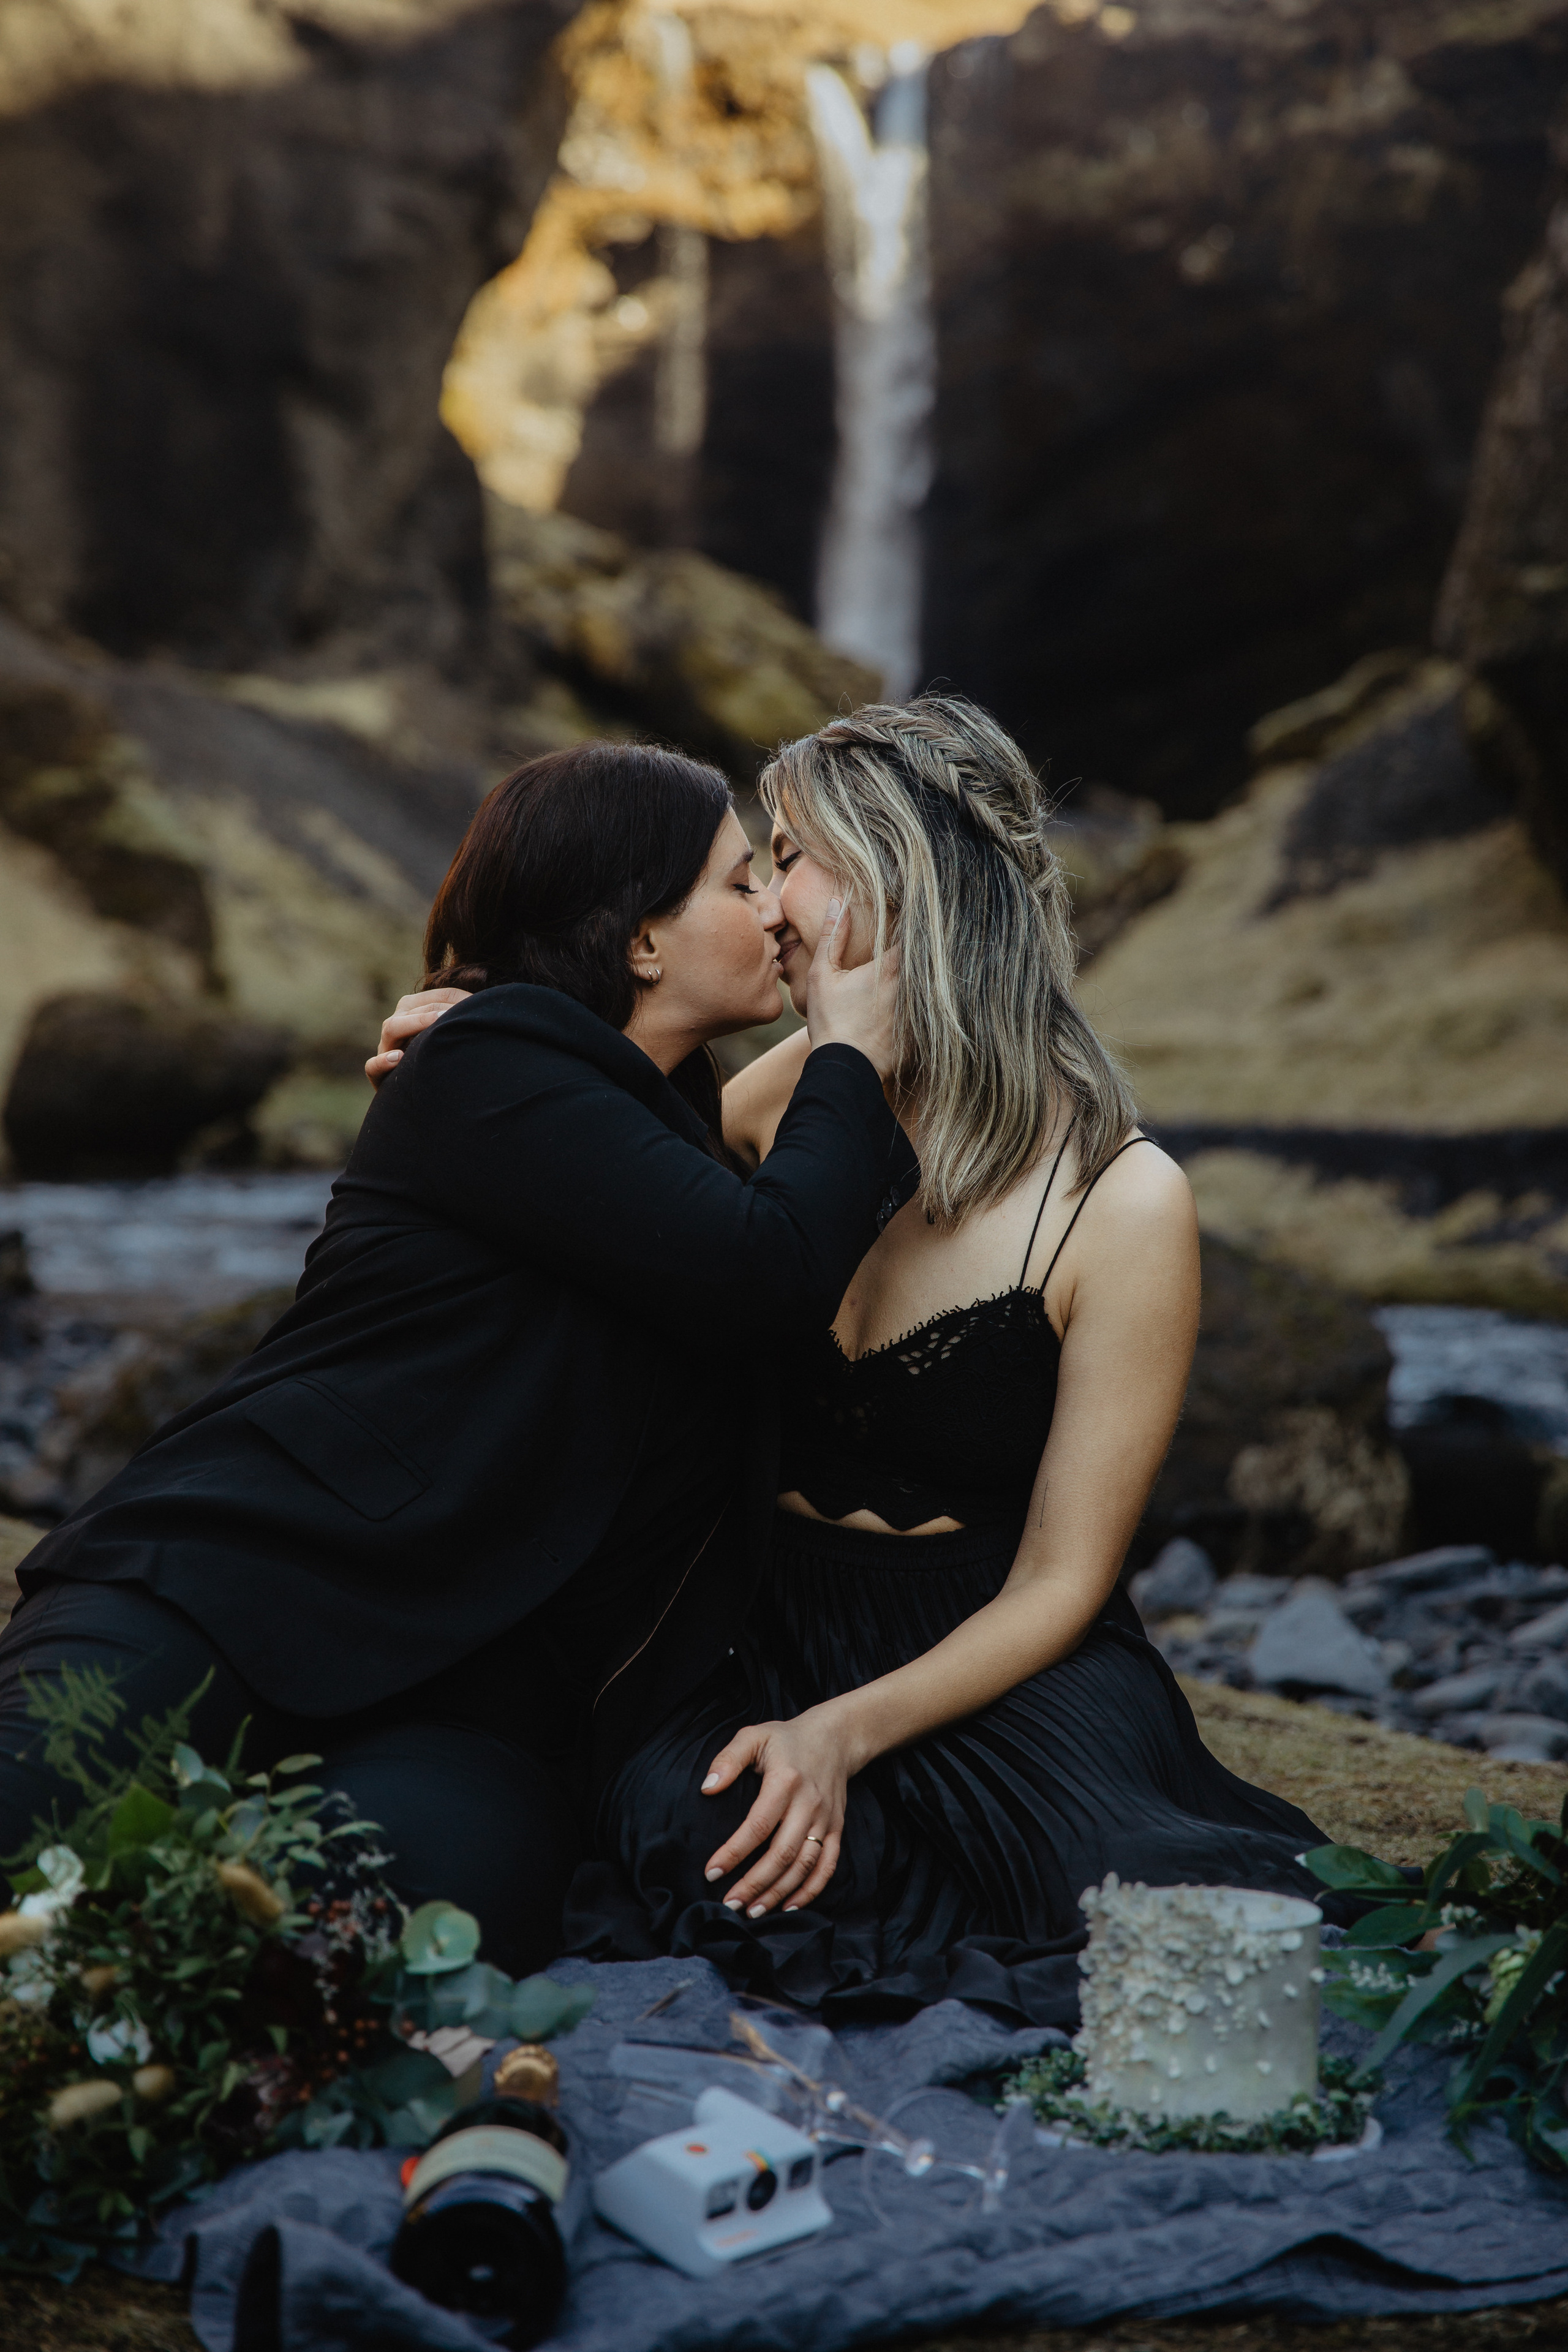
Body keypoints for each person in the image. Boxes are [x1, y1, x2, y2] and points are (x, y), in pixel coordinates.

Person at [0, 743, 909, 1977]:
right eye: (740, 881)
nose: (770, 910)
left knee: (386, 1956)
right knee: (28, 1822)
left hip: (471, 1701)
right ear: (642, 939)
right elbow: (767, 1267)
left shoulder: (661, 1122)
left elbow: (743, 1226)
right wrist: (851, 1043)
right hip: (243, 1584)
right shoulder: (495, 1062)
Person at [522, 698, 1341, 2022]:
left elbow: (1064, 1581)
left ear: (900, 881)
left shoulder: (1118, 1202)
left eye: (787, 857)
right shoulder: (778, 1097)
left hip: (988, 1655)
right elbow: (582, 1167)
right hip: (761, 1623)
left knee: (1127, 1909)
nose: (767, 904)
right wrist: (470, 1041)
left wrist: (841, 1734)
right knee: (694, 1836)